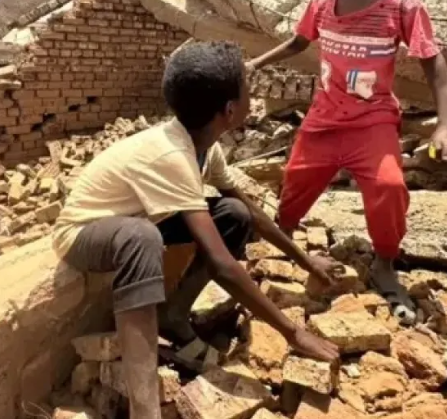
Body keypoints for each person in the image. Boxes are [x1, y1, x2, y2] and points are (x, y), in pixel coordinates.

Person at [53, 40, 340, 419]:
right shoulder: (172, 154)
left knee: (234, 214)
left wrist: (306, 261)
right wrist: (293, 333)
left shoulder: (204, 144)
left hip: (136, 222)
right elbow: (222, 264)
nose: (253, 95)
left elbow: (250, 211)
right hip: (84, 234)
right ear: (230, 110)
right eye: (248, 89)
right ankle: (145, 410)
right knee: (142, 239)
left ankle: (174, 316)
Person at [246, 0, 447, 324]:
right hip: (323, 120)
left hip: (373, 122)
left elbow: (433, 63)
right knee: (296, 182)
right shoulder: (321, 4)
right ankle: (282, 238)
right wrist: (255, 63)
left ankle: (384, 262)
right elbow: (298, 42)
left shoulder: (403, 6)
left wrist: (446, 124)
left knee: (389, 187)